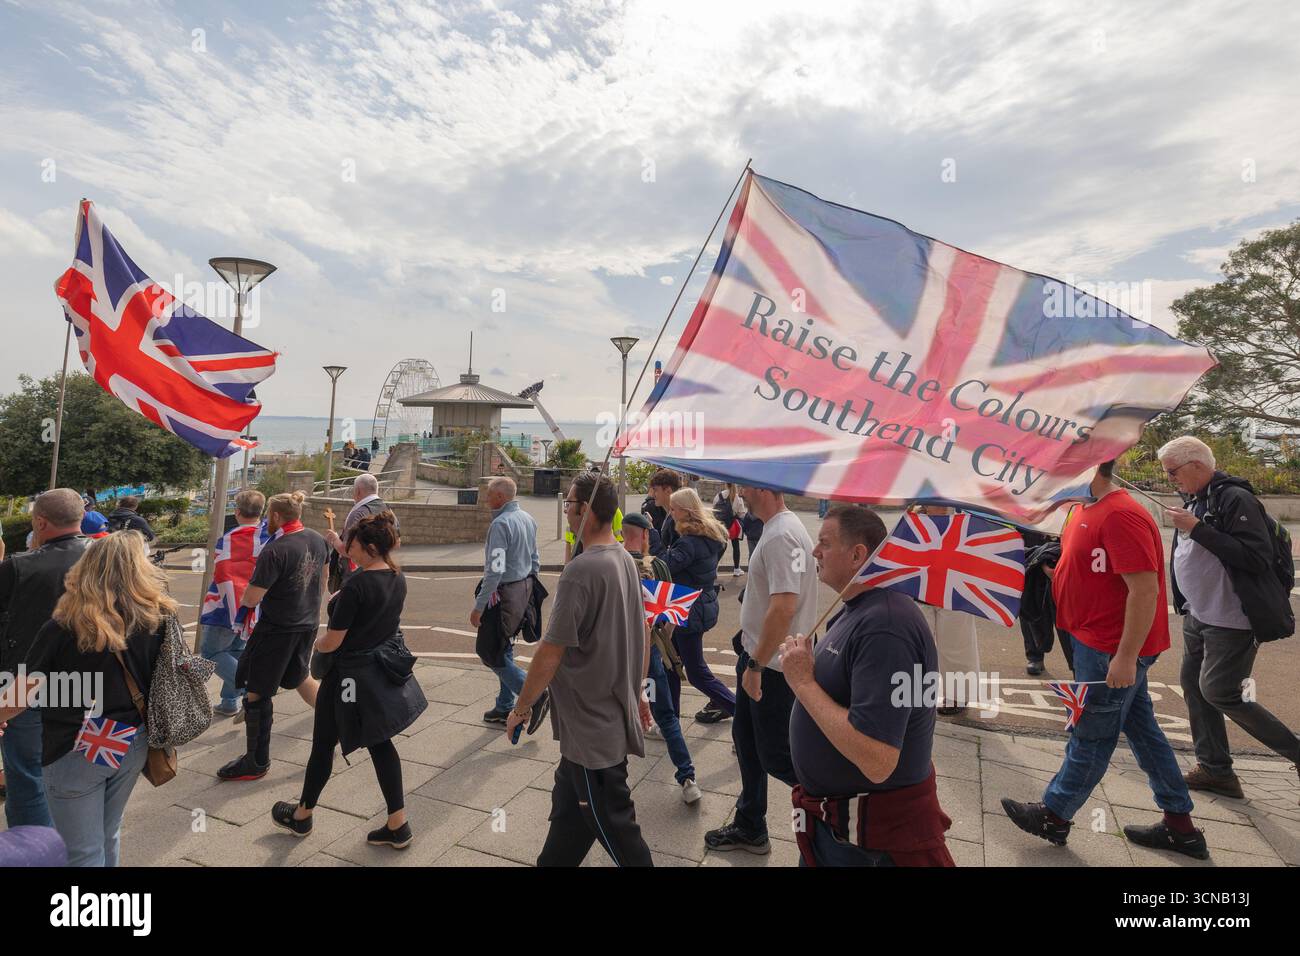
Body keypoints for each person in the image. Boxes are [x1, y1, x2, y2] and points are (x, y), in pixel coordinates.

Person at [1000, 461, 1208, 859]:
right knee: (1145, 733)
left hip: (1111, 649)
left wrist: (1126, 657)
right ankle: (1180, 827)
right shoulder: (1083, 507)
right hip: (1093, 642)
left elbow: (1144, 591)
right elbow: (1096, 568)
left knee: (1093, 733)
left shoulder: (1122, 515)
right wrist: (1057, 569)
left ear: (1090, 466)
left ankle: (1055, 814)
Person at [785, 505, 955, 866]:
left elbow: (877, 759)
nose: (815, 551)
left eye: (825, 543)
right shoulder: (858, 607)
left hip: (868, 845)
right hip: (838, 830)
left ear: (858, 555)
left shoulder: (886, 628)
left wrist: (802, 683)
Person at [504, 473, 653, 867]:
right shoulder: (623, 558)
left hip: (593, 739)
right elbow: (642, 631)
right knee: (563, 839)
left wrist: (521, 708)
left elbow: (550, 652)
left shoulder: (582, 571)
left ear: (585, 511)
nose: (566, 510)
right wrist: (637, 690)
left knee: (623, 839)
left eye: (569, 505)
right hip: (591, 733)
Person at [0, 532, 172, 866]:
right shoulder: (158, 618)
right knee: (108, 832)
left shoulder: (65, 626)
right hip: (134, 740)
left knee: (81, 850)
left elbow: (24, 692)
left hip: (77, 744)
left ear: (87, 569)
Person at [272, 512, 427, 847]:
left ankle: (302, 816)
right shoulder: (396, 576)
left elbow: (333, 640)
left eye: (352, 544)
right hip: (376, 673)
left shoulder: (357, 585)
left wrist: (316, 644)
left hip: (347, 678)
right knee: (380, 743)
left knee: (323, 745)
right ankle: (397, 823)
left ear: (369, 547)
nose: (347, 548)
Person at [1158, 436, 1299, 798]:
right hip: (1200, 615)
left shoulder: (1235, 498)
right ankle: (1215, 770)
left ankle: (1295, 751)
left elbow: (1256, 557)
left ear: (1198, 466)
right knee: (1194, 689)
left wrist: (1196, 528)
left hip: (1232, 618)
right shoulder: (1196, 498)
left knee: (1219, 691)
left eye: (1173, 472)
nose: (1170, 479)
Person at [705, 482, 817, 854]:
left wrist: (754, 665)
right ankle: (750, 824)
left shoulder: (781, 535)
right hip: (761, 657)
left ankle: (838, 809)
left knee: (776, 756)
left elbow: (784, 607)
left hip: (770, 666)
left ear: (763, 489)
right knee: (747, 744)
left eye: (745, 489)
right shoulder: (783, 527)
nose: (740, 496)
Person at [218, 491, 328, 781]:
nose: (267, 521)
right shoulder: (317, 539)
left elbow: (253, 597)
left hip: (277, 628)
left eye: (269, 516)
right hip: (307, 623)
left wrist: (238, 599)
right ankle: (339, 725)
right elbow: (323, 580)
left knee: (257, 693)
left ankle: (256, 760)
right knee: (300, 677)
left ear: (277, 516)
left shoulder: (276, 549)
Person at [0, 488, 89, 828]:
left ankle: (33, 851)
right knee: (76, 774)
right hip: (95, 686)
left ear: (40, 522)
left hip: (26, 684)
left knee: (26, 778)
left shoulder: (17, 568)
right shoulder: (108, 560)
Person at [621, 511, 701, 804]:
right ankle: (687, 777)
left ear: (622, 532)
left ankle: (609, 783)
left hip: (615, 652)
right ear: (644, 535)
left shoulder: (612, 563)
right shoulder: (656, 565)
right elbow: (671, 616)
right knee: (665, 715)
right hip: (650, 652)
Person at [471, 477, 549, 727]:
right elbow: (535, 559)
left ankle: (533, 695)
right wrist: (528, 589)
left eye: (489, 495)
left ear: (500, 497)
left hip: (501, 597)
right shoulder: (527, 518)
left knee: (488, 651)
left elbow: (494, 571)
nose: (486, 499)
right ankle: (504, 706)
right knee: (504, 647)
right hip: (522, 592)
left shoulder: (501, 524)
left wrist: (479, 607)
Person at [662, 487, 735, 724]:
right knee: (670, 663)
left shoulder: (688, 544)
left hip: (688, 611)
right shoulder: (711, 536)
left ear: (685, 511)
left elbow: (664, 567)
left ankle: (739, 712)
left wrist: (652, 536)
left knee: (695, 672)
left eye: (673, 509)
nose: (670, 513)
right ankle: (669, 717)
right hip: (699, 604)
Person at [199, 489, 268, 718]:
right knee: (236, 651)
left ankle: (250, 690)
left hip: (225, 606)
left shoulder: (228, 540)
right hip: (254, 605)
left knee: (211, 652)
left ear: (237, 512)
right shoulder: (267, 537)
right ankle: (229, 701)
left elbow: (221, 574)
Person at [915, 505, 982, 715]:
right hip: (922, 591)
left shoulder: (963, 517)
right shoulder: (914, 518)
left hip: (955, 593)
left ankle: (958, 696)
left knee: (957, 646)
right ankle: (914, 692)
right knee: (917, 646)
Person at [324, 474, 396, 586]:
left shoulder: (358, 513)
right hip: (382, 570)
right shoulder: (388, 509)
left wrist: (334, 539)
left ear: (357, 491)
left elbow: (347, 550)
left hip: (356, 575)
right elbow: (397, 542)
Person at [1020, 529, 1073, 676]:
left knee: (1068, 619)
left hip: (1065, 563)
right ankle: (1035, 657)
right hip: (1033, 560)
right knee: (1030, 611)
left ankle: (1076, 666)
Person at [712, 483, 745, 577]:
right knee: (736, 546)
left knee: (720, 547)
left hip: (720, 525)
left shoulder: (719, 495)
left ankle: (713, 568)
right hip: (732, 526)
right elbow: (742, 514)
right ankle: (737, 569)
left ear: (726, 484)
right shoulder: (738, 498)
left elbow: (714, 509)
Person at [647, 468, 682, 555]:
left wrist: (651, 531)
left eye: (655, 490)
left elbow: (672, 560)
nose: (652, 494)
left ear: (668, 491)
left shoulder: (676, 518)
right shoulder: (673, 514)